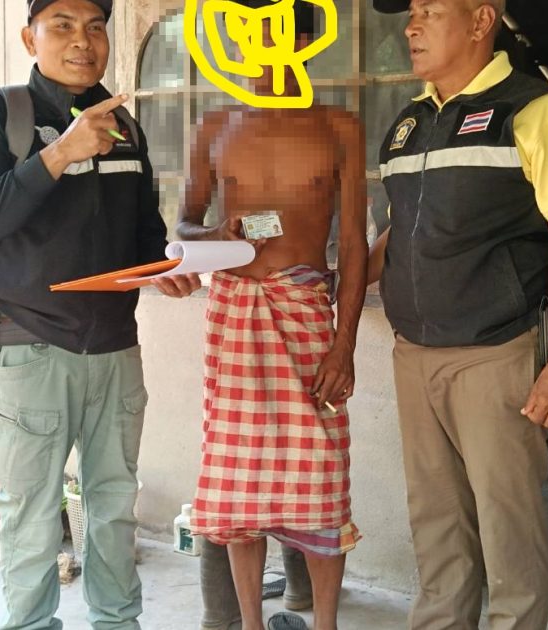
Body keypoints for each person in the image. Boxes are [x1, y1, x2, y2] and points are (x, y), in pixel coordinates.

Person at [0, 1, 200, 628]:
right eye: (62, 25)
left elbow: (144, 232)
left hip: (115, 348)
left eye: (95, 27)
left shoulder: (126, 128)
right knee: (31, 514)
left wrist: (167, 266)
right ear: (28, 37)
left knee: (114, 506)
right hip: (29, 348)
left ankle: (118, 621)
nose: (82, 41)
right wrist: (59, 153)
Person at [368, 1, 548, 629]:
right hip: (414, 353)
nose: (411, 26)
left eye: (430, 11)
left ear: (479, 21)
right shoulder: (411, 121)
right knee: (436, 525)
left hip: (495, 353)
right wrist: (334, 282)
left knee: (507, 530)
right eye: (411, 13)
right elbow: (400, 231)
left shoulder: (537, 111)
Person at [177, 3, 369, 629]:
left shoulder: (338, 126)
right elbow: (184, 227)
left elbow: (354, 244)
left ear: (305, 38)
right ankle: (251, 623)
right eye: (248, 34)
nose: (258, 48)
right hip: (234, 315)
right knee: (238, 482)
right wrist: (215, 234)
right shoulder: (214, 126)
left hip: (307, 311)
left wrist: (344, 344)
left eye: (275, 32)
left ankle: (326, 623)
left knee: (321, 475)